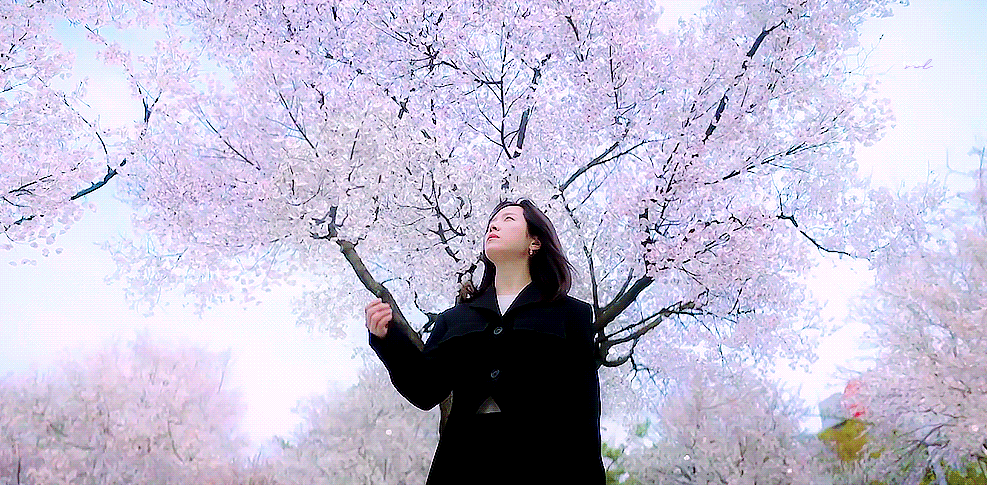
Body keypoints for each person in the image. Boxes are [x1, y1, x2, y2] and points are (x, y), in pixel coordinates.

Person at [365, 198, 605, 484]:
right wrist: (388, 338)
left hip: (541, 462)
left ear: (535, 242)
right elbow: (424, 390)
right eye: (492, 222)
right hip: (462, 463)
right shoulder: (455, 318)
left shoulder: (571, 314)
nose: (494, 225)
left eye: (508, 219)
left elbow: (583, 410)